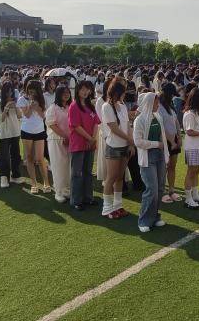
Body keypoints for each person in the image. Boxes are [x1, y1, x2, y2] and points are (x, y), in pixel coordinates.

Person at [133, 91, 168, 233]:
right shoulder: (139, 120)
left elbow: (162, 137)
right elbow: (138, 142)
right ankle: (144, 220)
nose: (158, 104)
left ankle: (154, 217)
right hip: (147, 157)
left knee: (160, 188)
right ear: (148, 103)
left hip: (159, 156)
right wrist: (156, 144)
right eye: (155, 102)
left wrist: (165, 154)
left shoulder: (157, 116)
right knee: (151, 189)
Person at [101, 79, 135, 218]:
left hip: (124, 146)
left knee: (120, 177)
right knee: (111, 177)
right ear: (117, 92)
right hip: (114, 146)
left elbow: (127, 125)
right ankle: (107, 208)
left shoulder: (122, 106)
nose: (124, 94)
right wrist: (130, 140)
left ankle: (118, 206)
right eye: (123, 92)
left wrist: (130, 143)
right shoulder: (106, 107)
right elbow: (113, 128)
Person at [67, 80, 101, 210]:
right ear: (77, 90)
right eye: (83, 89)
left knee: (88, 172)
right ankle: (76, 200)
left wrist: (92, 138)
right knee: (77, 173)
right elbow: (76, 126)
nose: (85, 92)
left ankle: (88, 197)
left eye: (88, 89)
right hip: (78, 144)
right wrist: (90, 138)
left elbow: (96, 122)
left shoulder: (90, 105)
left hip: (89, 143)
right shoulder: (74, 106)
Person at [18, 79, 51, 193]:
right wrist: (31, 107)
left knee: (40, 158)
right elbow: (26, 115)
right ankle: (34, 184)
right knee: (29, 157)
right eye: (30, 91)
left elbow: (43, 116)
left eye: (34, 91)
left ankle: (46, 182)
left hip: (39, 131)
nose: (32, 93)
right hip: (26, 131)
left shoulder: (43, 99)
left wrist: (37, 107)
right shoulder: (22, 99)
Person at [158, 82, 183, 204]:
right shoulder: (158, 106)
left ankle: (171, 190)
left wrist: (179, 137)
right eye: (172, 94)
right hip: (164, 141)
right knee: (163, 167)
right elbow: (161, 126)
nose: (173, 97)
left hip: (174, 140)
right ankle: (162, 192)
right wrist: (172, 141)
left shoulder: (170, 105)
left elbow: (176, 121)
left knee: (172, 166)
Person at [46, 85, 72, 203]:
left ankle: (66, 190)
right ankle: (58, 192)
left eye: (68, 92)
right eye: (64, 93)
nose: (66, 95)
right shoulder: (53, 108)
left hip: (69, 140)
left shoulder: (70, 106)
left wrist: (69, 137)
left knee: (67, 166)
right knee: (58, 166)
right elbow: (52, 124)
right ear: (58, 94)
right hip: (56, 140)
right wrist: (65, 136)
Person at [0, 81, 25, 187]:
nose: (10, 94)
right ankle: (4, 177)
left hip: (15, 131)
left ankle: (16, 175)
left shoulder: (15, 102)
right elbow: (1, 119)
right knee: (4, 156)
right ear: (4, 92)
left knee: (16, 155)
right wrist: (7, 107)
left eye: (11, 91)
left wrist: (16, 106)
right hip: (4, 133)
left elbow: (19, 116)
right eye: (7, 92)